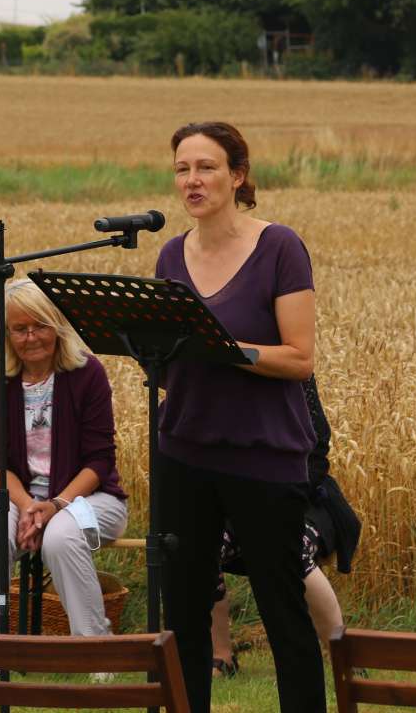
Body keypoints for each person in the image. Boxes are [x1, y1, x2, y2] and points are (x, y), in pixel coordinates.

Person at [154, 121, 325, 713]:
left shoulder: (279, 246)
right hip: (184, 453)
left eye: (205, 167)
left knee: (282, 607)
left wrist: (229, 351)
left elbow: (300, 358)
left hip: (264, 456)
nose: (192, 180)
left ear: (238, 175)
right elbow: (170, 356)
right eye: (182, 169)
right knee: (183, 607)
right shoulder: (170, 253)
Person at [0, 278, 127, 636]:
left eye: (40, 326)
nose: (31, 337)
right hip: (20, 497)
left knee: (61, 536)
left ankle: (94, 649)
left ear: (57, 325)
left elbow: (99, 461)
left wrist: (55, 505)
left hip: (89, 497)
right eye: (19, 329)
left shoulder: (87, 374)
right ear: (6, 333)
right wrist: (27, 506)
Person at [210, 374, 359, 678]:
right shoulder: (218, 377)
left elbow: (317, 455)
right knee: (205, 543)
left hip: (302, 497)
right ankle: (222, 656)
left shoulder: (295, 374)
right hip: (236, 499)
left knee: (294, 548)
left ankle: (341, 656)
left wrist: (271, 500)